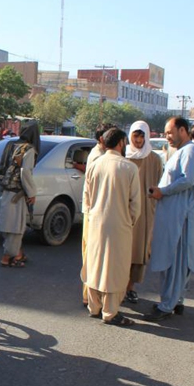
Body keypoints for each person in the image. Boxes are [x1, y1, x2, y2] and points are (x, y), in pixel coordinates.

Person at [144, 117, 194, 322]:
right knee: (178, 264)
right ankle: (176, 300)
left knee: (176, 263)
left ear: (183, 130)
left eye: (169, 132)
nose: (167, 137)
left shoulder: (190, 151)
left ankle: (167, 305)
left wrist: (163, 191)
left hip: (181, 218)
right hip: (178, 215)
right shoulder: (184, 151)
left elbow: (187, 180)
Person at [81, 128, 141, 326]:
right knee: (115, 268)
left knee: (94, 264)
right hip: (119, 225)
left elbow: (87, 198)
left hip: (95, 222)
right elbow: (135, 205)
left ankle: (94, 306)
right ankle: (110, 311)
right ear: (121, 143)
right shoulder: (129, 167)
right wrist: (129, 221)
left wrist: (92, 217)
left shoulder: (95, 165)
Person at [124, 121, 163, 304]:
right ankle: (118, 287)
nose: (138, 140)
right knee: (122, 250)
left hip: (146, 212)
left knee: (139, 252)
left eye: (142, 136)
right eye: (135, 136)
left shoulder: (154, 159)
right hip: (125, 211)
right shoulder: (123, 156)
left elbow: (159, 185)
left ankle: (130, 287)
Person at [79, 123, 116, 308]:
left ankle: (93, 295)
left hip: (93, 211)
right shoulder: (98, 157)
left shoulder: (99, 155)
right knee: (92, 255)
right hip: (93, 212)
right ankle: (89, 296)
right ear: (103, 139)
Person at [0, 122, 38, 268]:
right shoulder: (29, 149)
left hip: (7, 191)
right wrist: (32, 193)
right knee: (16, 227)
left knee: (8, 224)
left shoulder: (10, 145)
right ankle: (7, 257)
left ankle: (18, 253)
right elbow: (25, 172)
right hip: (18, 194)